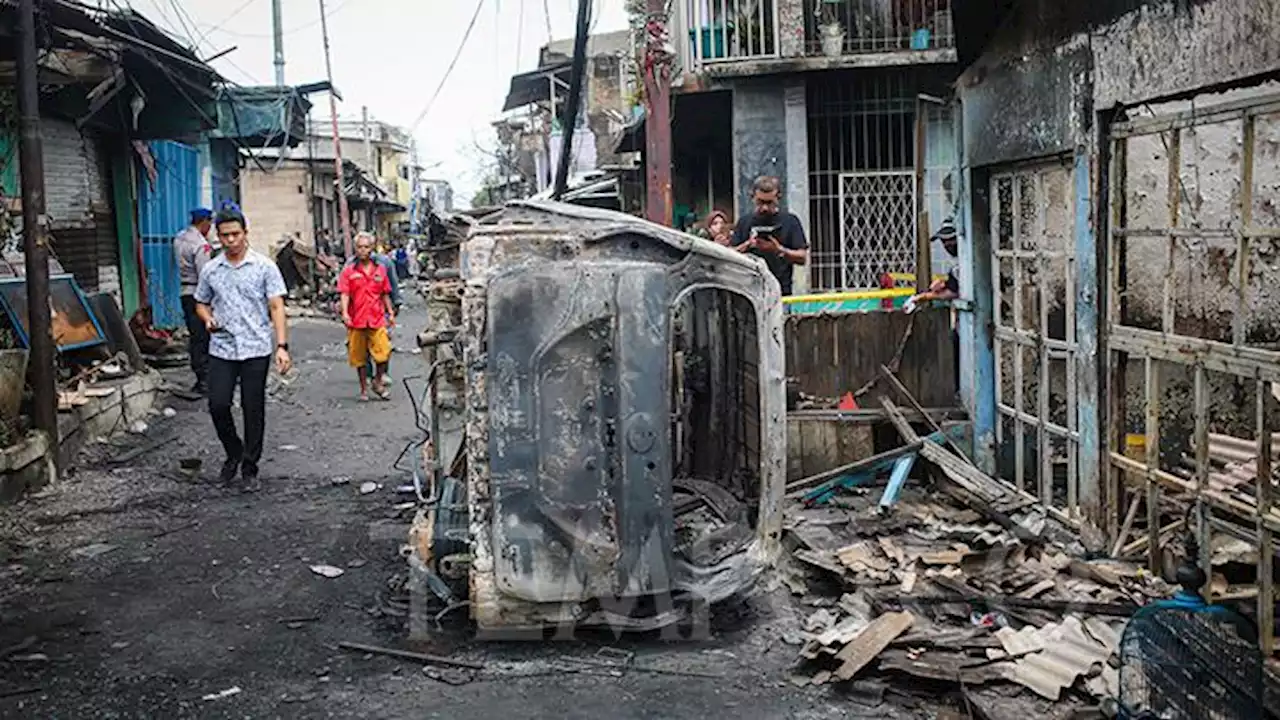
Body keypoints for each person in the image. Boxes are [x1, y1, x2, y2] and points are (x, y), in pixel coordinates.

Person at [194, 205, 292, 492]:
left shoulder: (264, 267)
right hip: (222, 347)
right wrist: (207, 318)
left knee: (253, 408)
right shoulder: (212, 269)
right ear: (218, 236)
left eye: (236, 234)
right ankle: (233, 450)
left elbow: (276, 306)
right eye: (225, 236)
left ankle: (250, 466)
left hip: (255, 347)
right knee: (218, 404)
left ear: (245, 233)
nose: (231, 241)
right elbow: (201, 301)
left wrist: (282, 346)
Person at [339, 232, 396, 401]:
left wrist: (390, 313)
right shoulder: (349, 271)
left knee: (384, 352)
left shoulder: (381, 269)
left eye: (366, 247)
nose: (363, 250)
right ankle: (364, 388)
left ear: (372, 249)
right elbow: (345, 293)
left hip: (377, 318)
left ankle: (377, 381)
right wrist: (345, 313)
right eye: (359, 247)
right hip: (357, 320)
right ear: (355, 249)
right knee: (359, 357)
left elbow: (385, 293)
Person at [730, 176, 809, 296]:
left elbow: (802, 257)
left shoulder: (790, 221)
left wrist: (778, 250)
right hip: (749, 291)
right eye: (760, 202)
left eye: (769, 202)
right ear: (753, 198)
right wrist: (747, 245)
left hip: (781, 291)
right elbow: (731, 255)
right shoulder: (744, 222)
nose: (765, 208)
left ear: (778, 199)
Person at [908, 218, 960, 385]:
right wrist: (942, 284)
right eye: (944, 242)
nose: (946, 245)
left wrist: (924, 297)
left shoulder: (964, 259)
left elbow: (953, 292)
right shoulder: (958, 262)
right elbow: (954, 284)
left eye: (949, 240)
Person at [175, 208, 214, 394]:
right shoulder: (200, 244)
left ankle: (201, 377)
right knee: (203, 337)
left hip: (184, 291)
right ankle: (205, 379)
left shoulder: (180, 237)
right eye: (209, 224)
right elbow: (205, 275)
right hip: (198, 293)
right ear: (204, 222)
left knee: (195, 336)